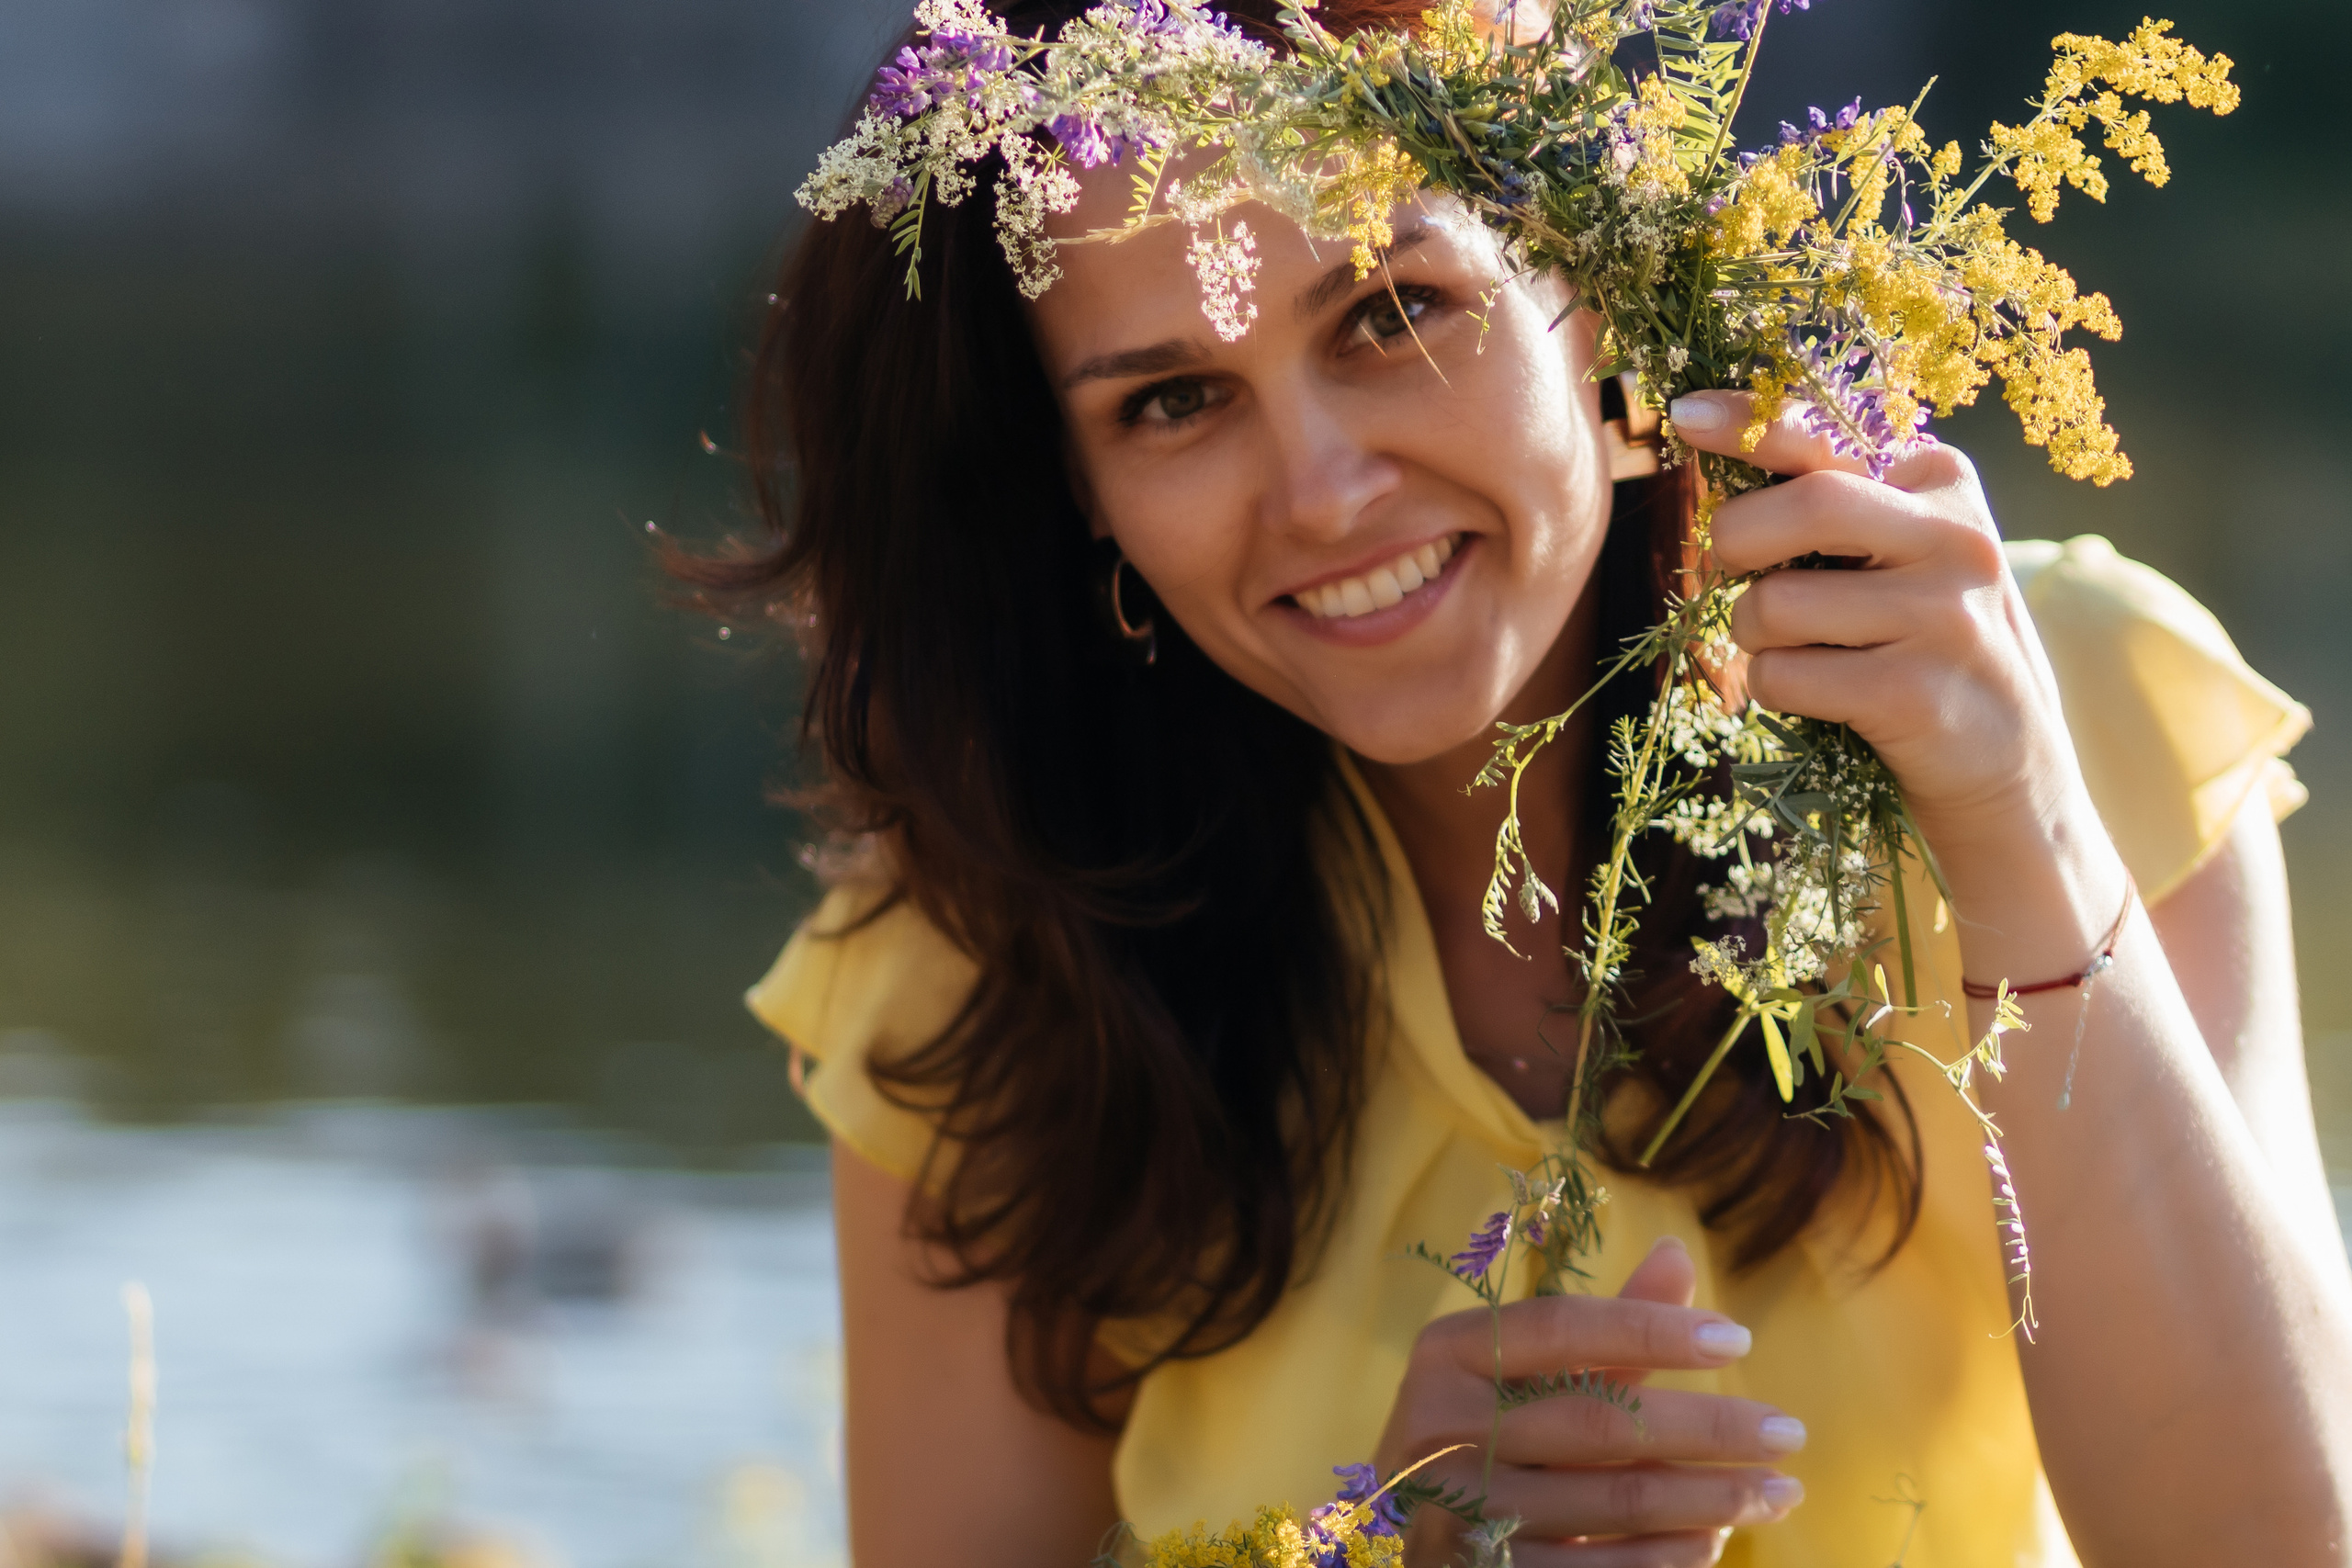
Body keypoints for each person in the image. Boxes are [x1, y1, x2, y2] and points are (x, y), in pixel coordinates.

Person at [678, 2, 2352, 1561]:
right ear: (1084, 498)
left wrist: (2018, 825)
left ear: (1596, 291)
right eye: (1175, 402)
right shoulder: (982, 954)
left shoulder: (2065, 710)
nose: (1322, 492)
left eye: (1391, 314)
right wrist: (1367, 1549)